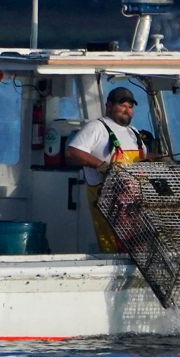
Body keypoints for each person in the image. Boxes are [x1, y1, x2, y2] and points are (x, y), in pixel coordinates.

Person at [64, 86, 148, 252]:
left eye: (130, 107)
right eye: (122, 105)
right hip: (107, 201)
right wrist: (101, 166)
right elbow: (73, 151)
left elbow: (142, 158)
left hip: (135, 203)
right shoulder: (97, 127)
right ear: (109, 105)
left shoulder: (134, 132)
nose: (127, 110)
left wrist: (160, 158)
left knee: (137, 245)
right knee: (112, 244)